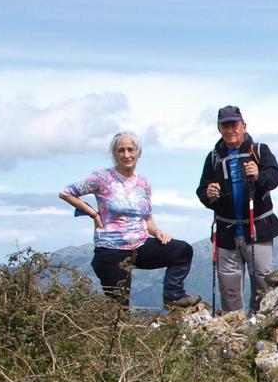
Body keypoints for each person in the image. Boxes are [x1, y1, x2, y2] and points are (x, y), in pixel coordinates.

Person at [61, 132, 200, 308]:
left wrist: (156, 231)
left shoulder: (143, 183)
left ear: (138, 153)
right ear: (114, 154)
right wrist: (94, 214)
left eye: (130, 150)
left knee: (182, 250)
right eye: (121, 150)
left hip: (139, 245)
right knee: (119, 310)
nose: (126, 155)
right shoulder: (102, 178)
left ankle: (173, 296)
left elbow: (147, 217)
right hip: (111, 248)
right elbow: (66, 192)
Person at [197, 105, 278, 314]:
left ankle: (259, 322)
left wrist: (259, 176)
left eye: (233, 124)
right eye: (225, 125)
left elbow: (275, 177)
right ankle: (234, 328)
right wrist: (208, 194)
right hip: (227, 230)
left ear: (243, 125)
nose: (230, 130)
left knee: (263, 280)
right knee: (229, 286)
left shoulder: (260, 150)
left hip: (258, 227)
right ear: (219, 128)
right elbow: (202, 190)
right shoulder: (213, 158)